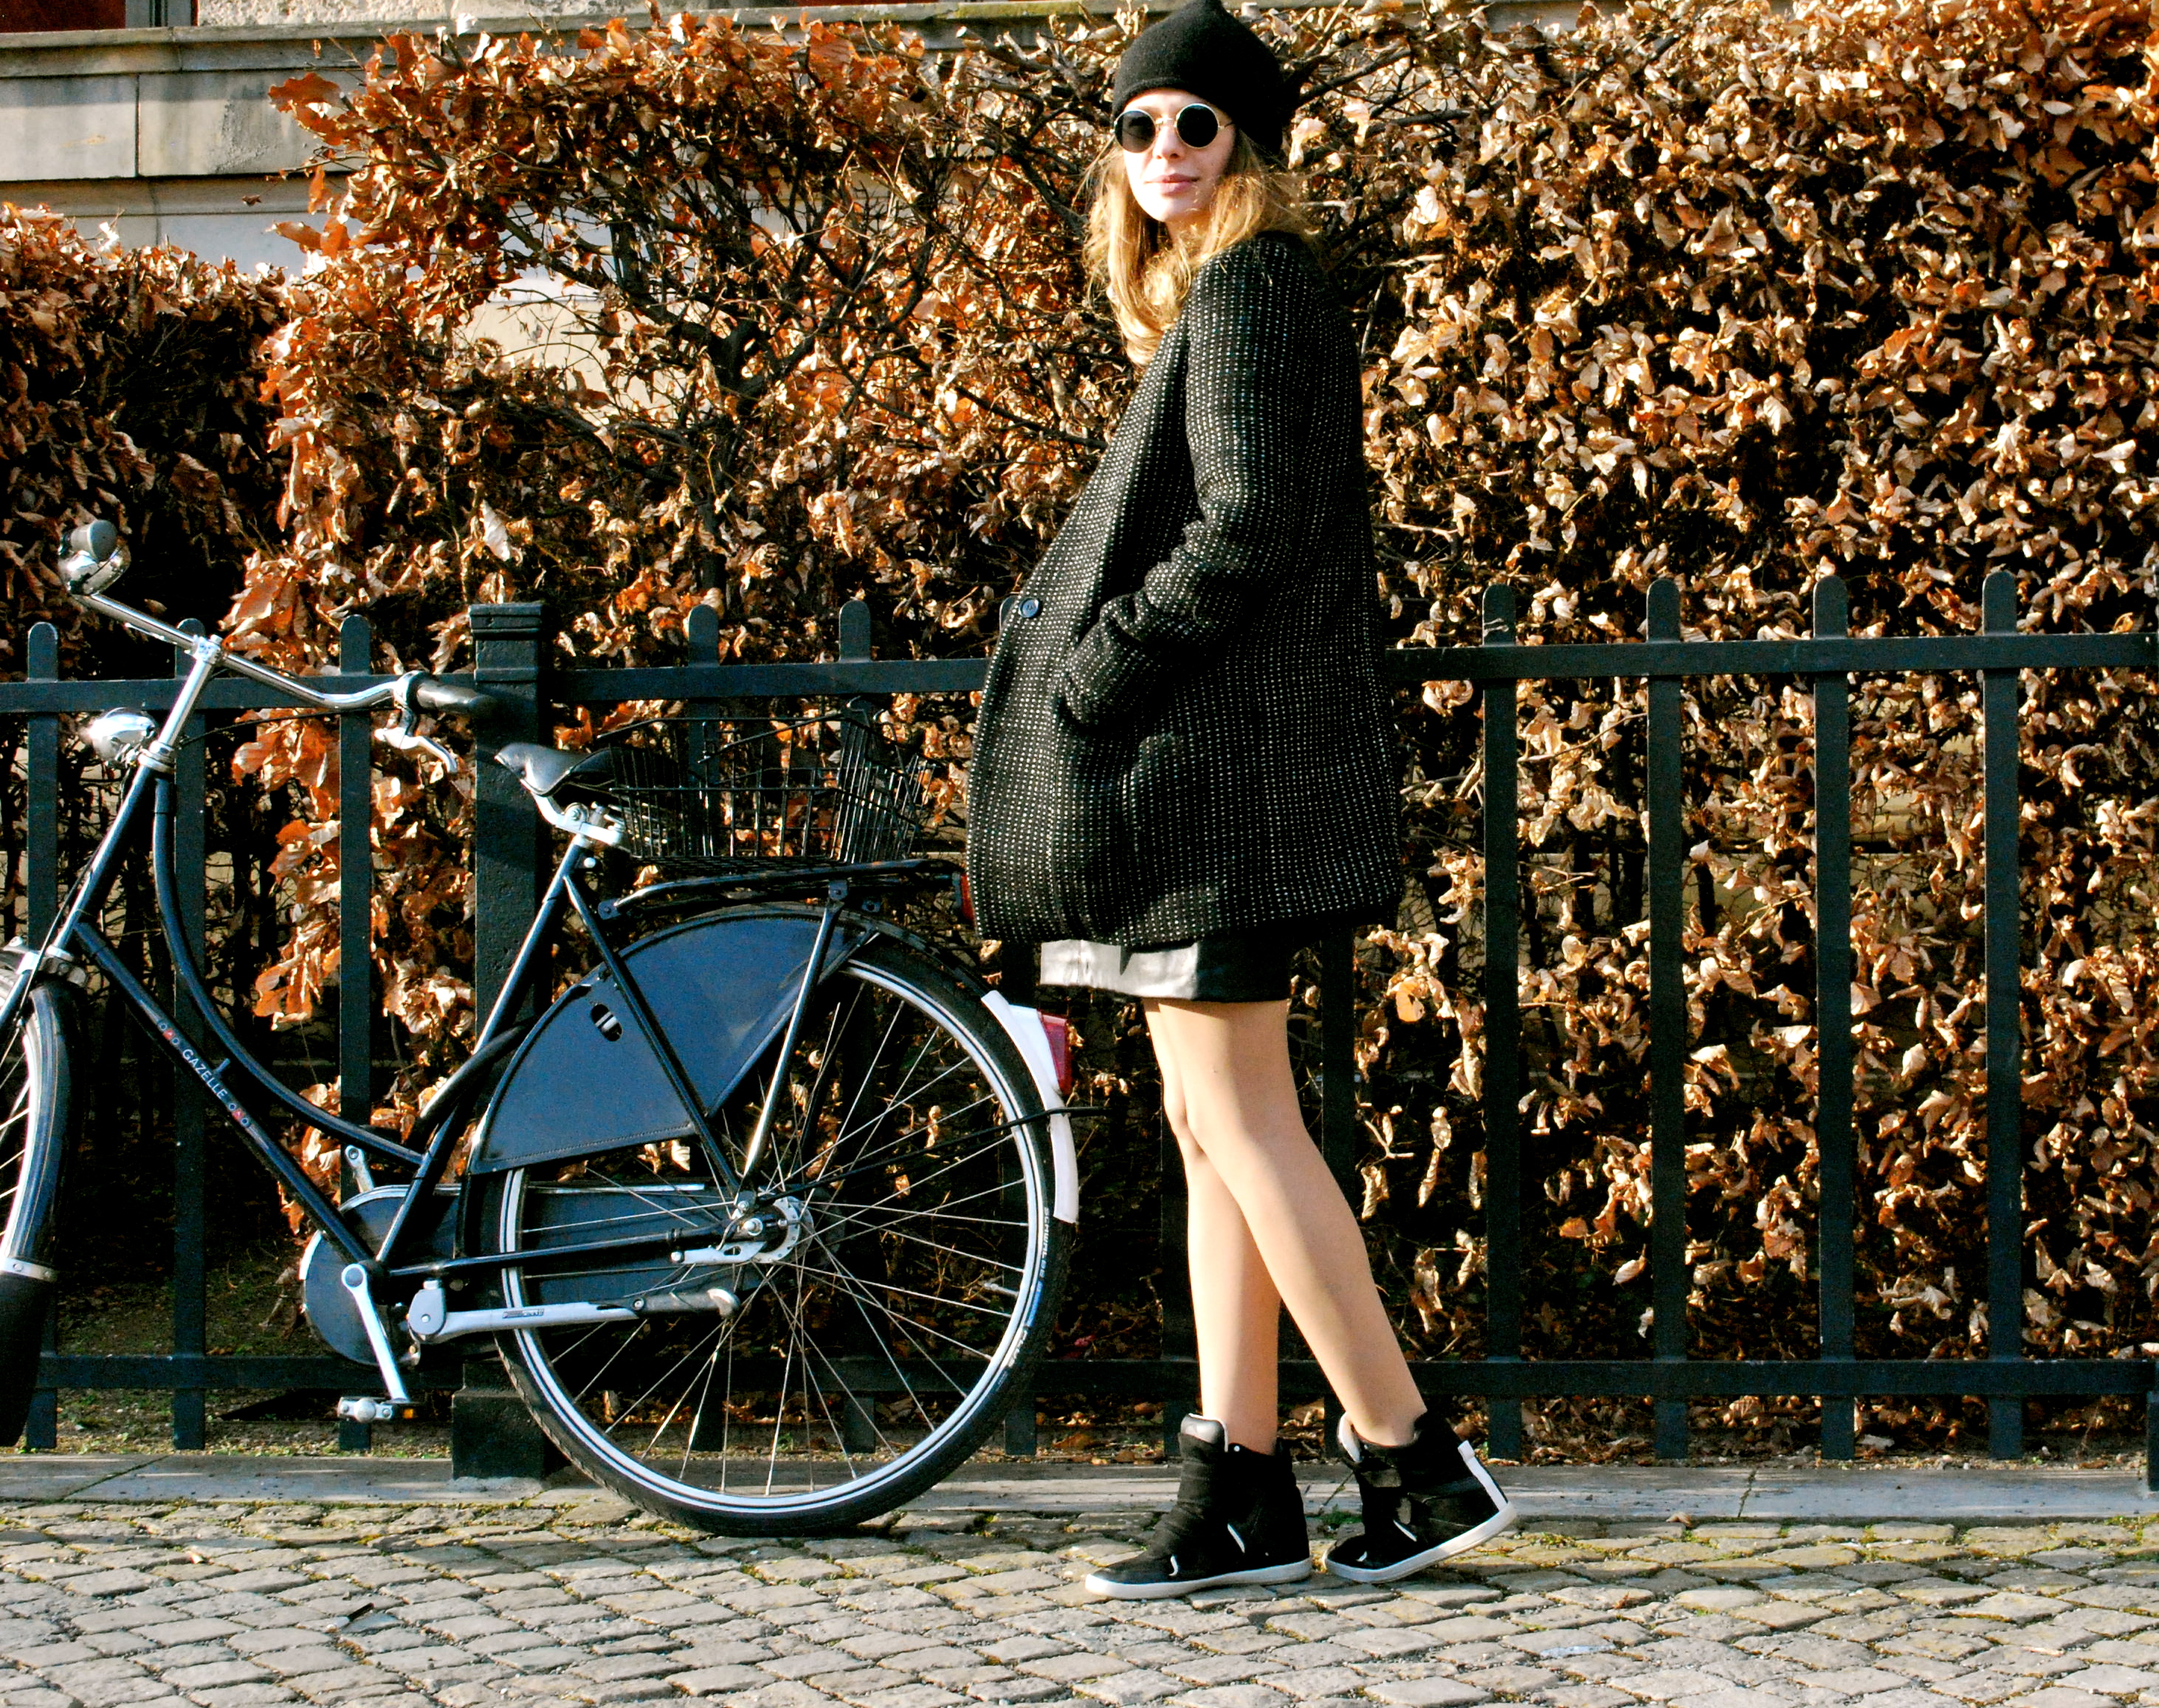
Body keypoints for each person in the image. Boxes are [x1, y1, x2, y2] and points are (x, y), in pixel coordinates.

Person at [965, 0, 1515, 1598]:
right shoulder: (1217, 294)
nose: (1162, 150)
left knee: (1245, 1124)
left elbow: (1254, 518)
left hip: (1217, 784)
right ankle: (1239, 1488)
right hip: (1200, 784)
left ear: (1246, 144)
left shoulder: (1256, 283)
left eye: (1192, 123)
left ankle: (1410, 1459)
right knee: (1210, 1132)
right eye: (1136, 125)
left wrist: (1101, 667)